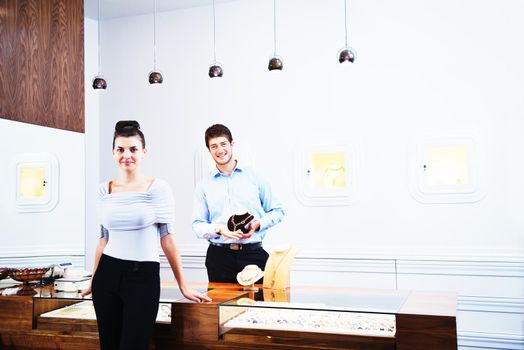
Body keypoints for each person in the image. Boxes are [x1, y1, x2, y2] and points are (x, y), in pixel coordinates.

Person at [82, 120, 210, 350]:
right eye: (120, 149)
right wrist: (93, 279)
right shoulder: (104, 190)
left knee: (134, 345)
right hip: (107, 275)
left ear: (144, 152)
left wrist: (183, 285)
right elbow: (103, 239)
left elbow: (167, 239)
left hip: (142, 277)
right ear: (113, 152)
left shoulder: (158, 188)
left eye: (133, 149)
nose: (126, 155)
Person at [192, 124, 285, 283]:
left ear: (232, 144)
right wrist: (219, 229)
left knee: (258, 306)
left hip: (253, 255)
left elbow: (278, 211)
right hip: (218, 258)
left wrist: (258, 224)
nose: (220, 150)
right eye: (214, 146)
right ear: (209, 150)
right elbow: (197, 225)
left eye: (223, 144)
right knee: (221, 307)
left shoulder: (254, 177)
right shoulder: (203, 185)